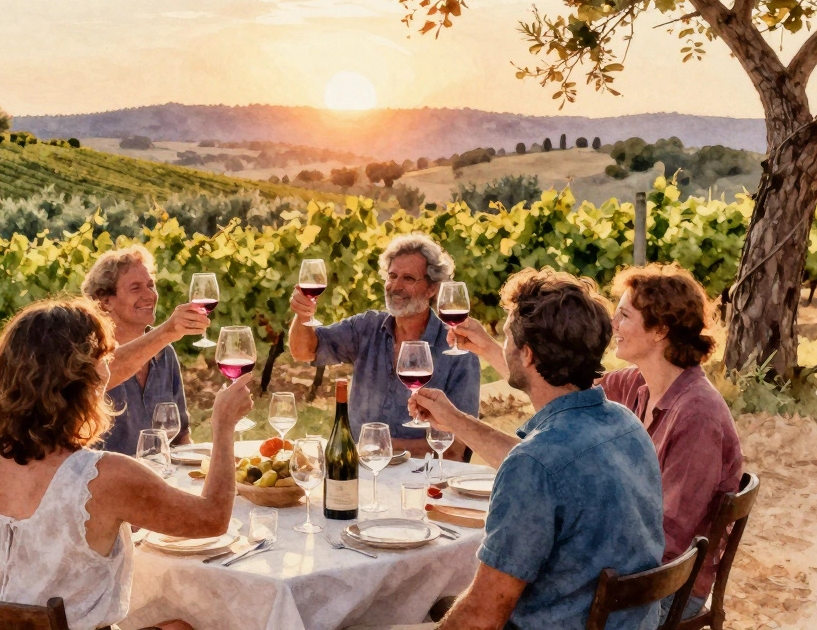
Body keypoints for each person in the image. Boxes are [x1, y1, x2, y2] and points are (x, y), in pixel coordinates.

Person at [443, 264, 741, 622]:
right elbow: (562, 385)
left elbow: (669, 541)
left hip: (656, 591)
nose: (614, 324)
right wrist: (493, 350)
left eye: (625, 315)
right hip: (620, 591)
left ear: (660, 330)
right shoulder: (631, 399)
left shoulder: (697, 416)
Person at [379, 268, 665, 630]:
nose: (503, 346)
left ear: (527, 355)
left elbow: (481, 617)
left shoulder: (536, 464)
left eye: (506, 337)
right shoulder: (625, 424)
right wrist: (455, 420)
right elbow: (549, 466)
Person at [0, 297, 253, 630]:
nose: (109, 368)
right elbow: (212, 519)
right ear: (83, 378)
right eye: (105, 357)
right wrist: (223, 426)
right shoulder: (101, 476)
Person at [288, 233, 479, 457]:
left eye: (408, 278)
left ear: (432, 289)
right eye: (392, 276)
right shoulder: (366, 327)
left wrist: (378, 445)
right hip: (362, 469)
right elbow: (304, 351)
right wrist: (303, 314)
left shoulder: (458, 351)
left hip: (423, 474)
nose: (395, 286)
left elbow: (457, 447)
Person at [81, 246, 209, 455]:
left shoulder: (165, 354)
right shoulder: (87, 357)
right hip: (104, 475)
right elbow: (108, 370)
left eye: (151, 286)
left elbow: (181, 436)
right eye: (136, 288)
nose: (150, 295)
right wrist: (167, 331)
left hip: (161, 473)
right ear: (105, 301)